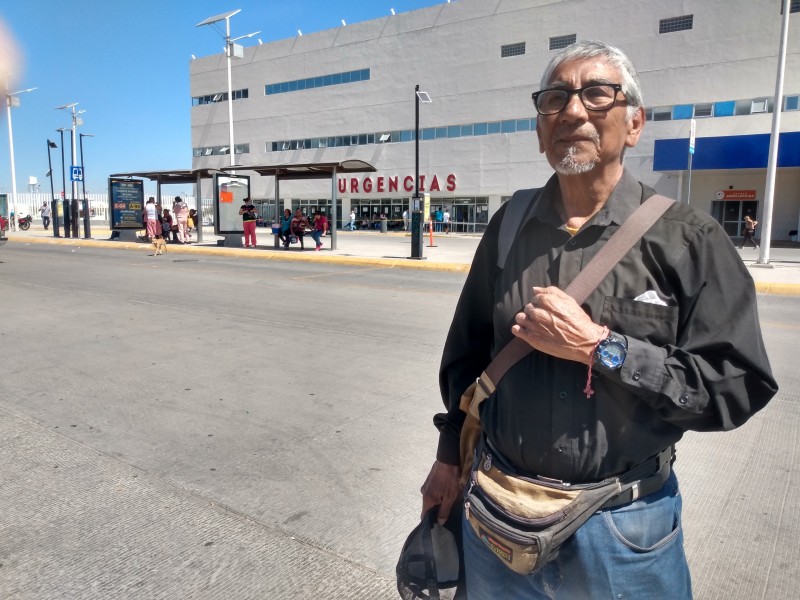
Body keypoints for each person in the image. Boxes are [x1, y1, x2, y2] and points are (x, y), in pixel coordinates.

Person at [419, 40, 778, 599]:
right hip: (497, 518)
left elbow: (736, 385)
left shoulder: (688, 238)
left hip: (624, 532)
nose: (573, 110)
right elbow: (466, 364)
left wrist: (600, 349)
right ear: (541, 132)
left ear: (633, 124)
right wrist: (448, 459)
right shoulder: (507, 228)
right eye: (555, 98)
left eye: (596, 93)